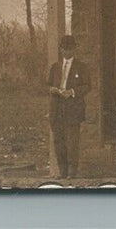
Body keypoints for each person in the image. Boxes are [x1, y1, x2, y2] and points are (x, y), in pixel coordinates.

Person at [46, 34, 90, 179]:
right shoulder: (55, 67)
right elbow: (47, 85)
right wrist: (52, 89)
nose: (67, 52)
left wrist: (72, 92)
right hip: (57, 109)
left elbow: (88, 86)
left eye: (70, 49)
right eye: (64, 49)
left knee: (72, 143)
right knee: (59, 142)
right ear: (61, 49)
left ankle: (72, 173)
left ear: (74, 49)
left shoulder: (81, 67)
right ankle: (63, 173)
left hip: (73, 109)